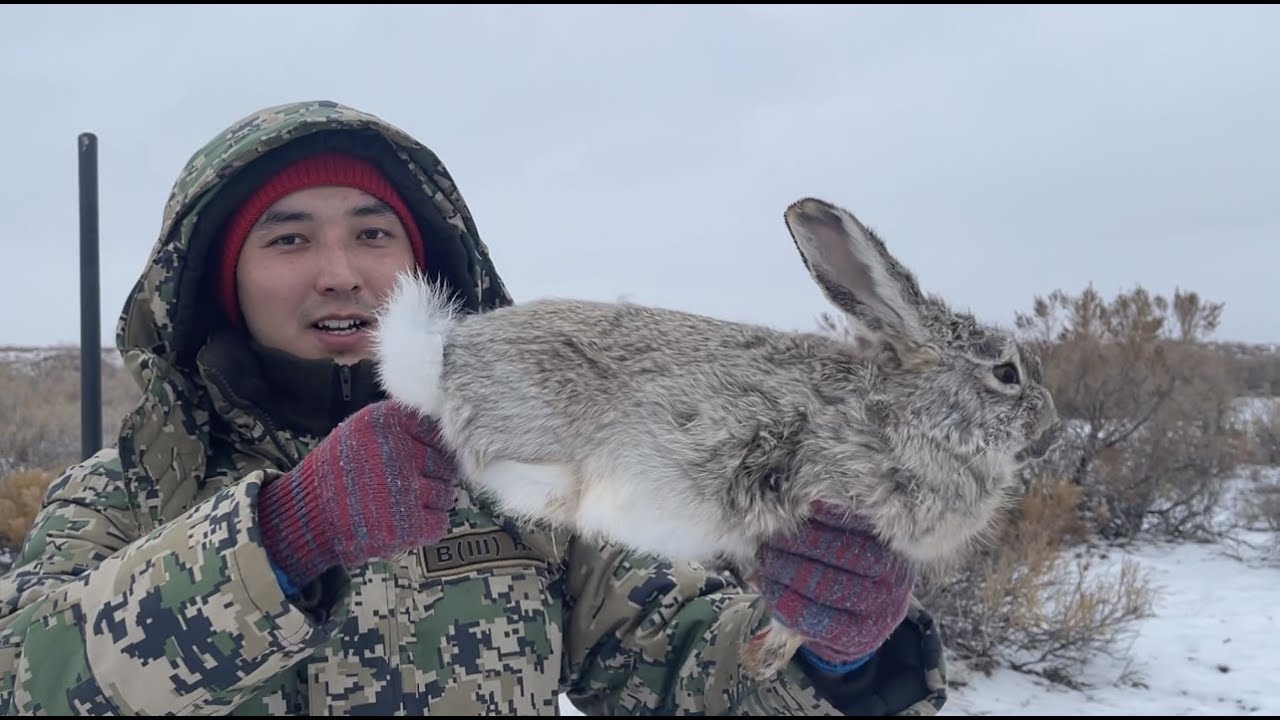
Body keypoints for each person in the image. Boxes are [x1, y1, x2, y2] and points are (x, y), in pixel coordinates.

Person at [0, 100, 947, 716]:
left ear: (425, 265)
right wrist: (285, 535)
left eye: (373, 232)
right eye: (288, 239)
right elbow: (26, 684)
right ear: (218, 282)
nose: (340, 271)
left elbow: (694, 668)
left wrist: (837, 652)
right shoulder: (118, 499)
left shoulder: (528, 480)